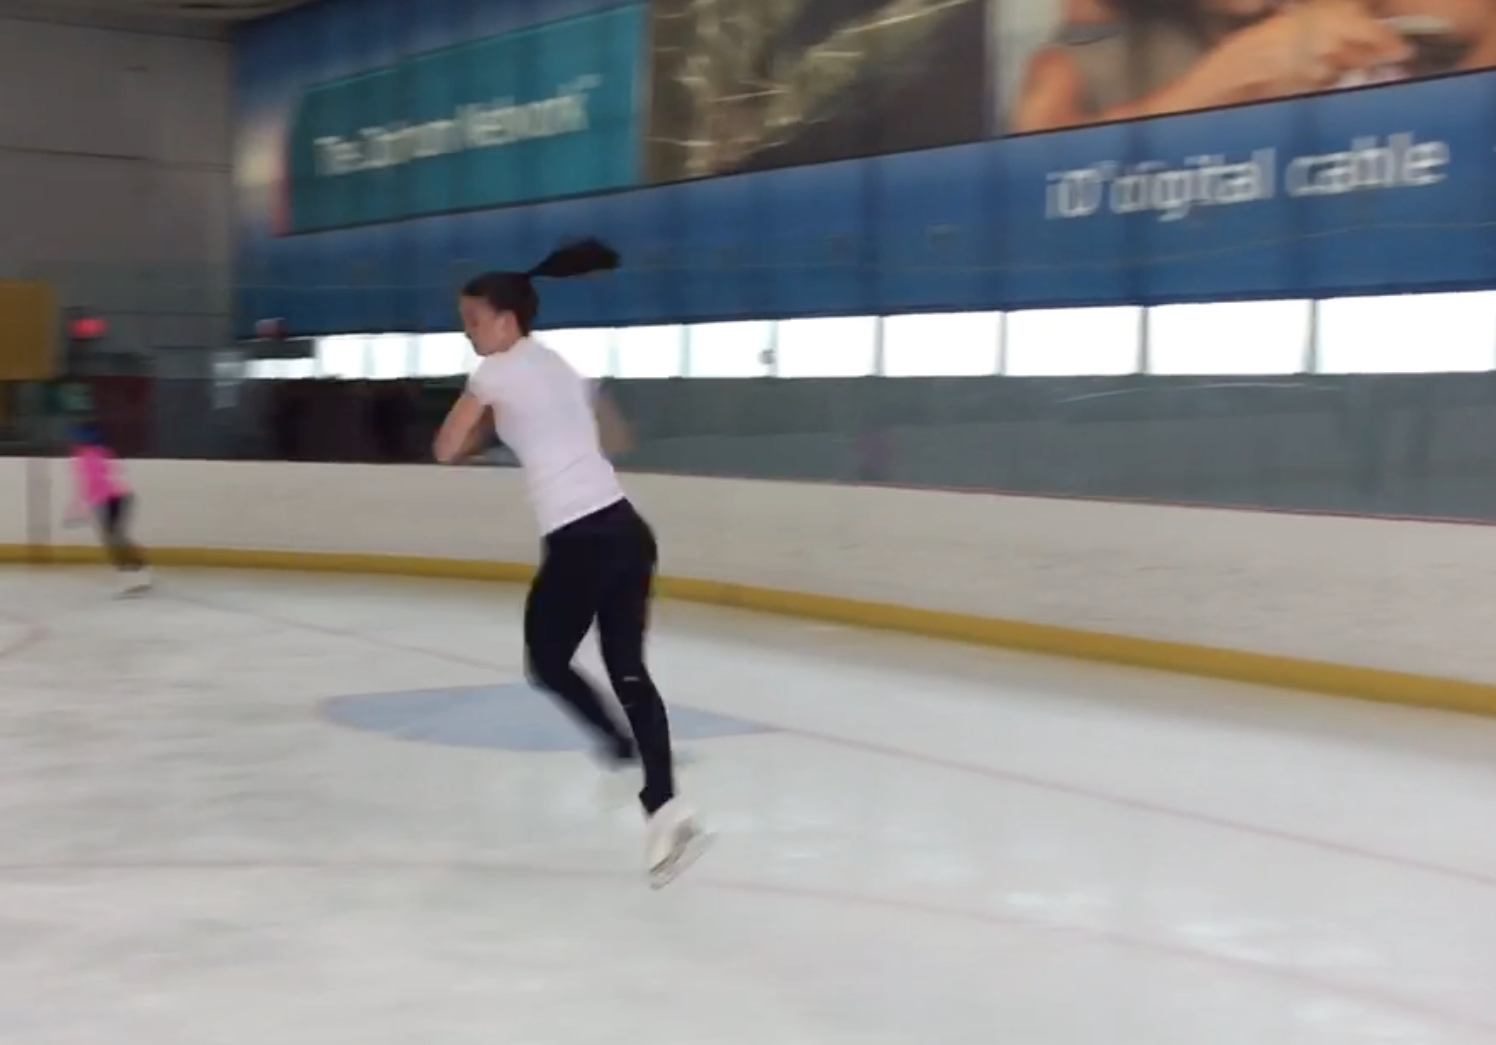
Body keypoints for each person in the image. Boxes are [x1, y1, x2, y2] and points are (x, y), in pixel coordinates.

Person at [432, 238, 711, 889]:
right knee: (628, 669)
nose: (469, 333)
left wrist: (489, 437)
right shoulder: (561, 364)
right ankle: (664, 805)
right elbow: (616, 438)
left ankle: (617, 749)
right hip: (626, 528)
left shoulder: (495, 371)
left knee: (547, 660)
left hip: (579, 537)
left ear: (505, 320)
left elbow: (445, 446)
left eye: (473, 320)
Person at [66, 423, 152, 595]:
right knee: (115, 538)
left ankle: (133, 576)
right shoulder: (97, 454)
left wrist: (83, 504)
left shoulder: (89, 457)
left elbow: (95, 483)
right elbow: (95, 481)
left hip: (113, 499)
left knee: (114, 540)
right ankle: (138, 571)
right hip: (116, 498)